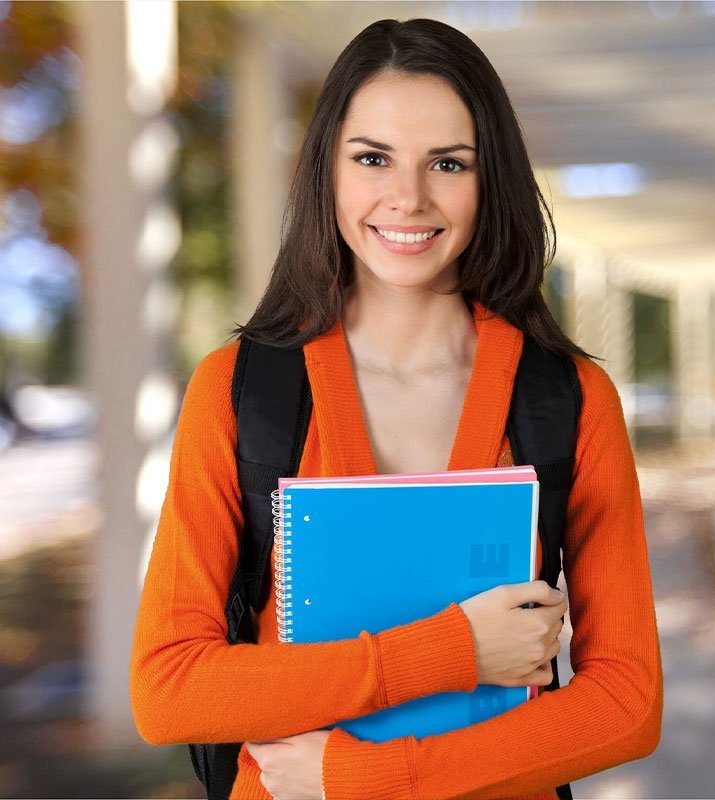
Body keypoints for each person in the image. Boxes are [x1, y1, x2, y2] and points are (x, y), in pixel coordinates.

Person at [130, 17, 663, 800]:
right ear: (328, 173)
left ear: (492, 181)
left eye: (448, 163)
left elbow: (628, 703)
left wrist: (369, 777)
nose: (408, 198)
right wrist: (455, 652)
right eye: (373, 158)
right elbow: (169, 688)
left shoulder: (569, 400)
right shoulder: (242, 393)